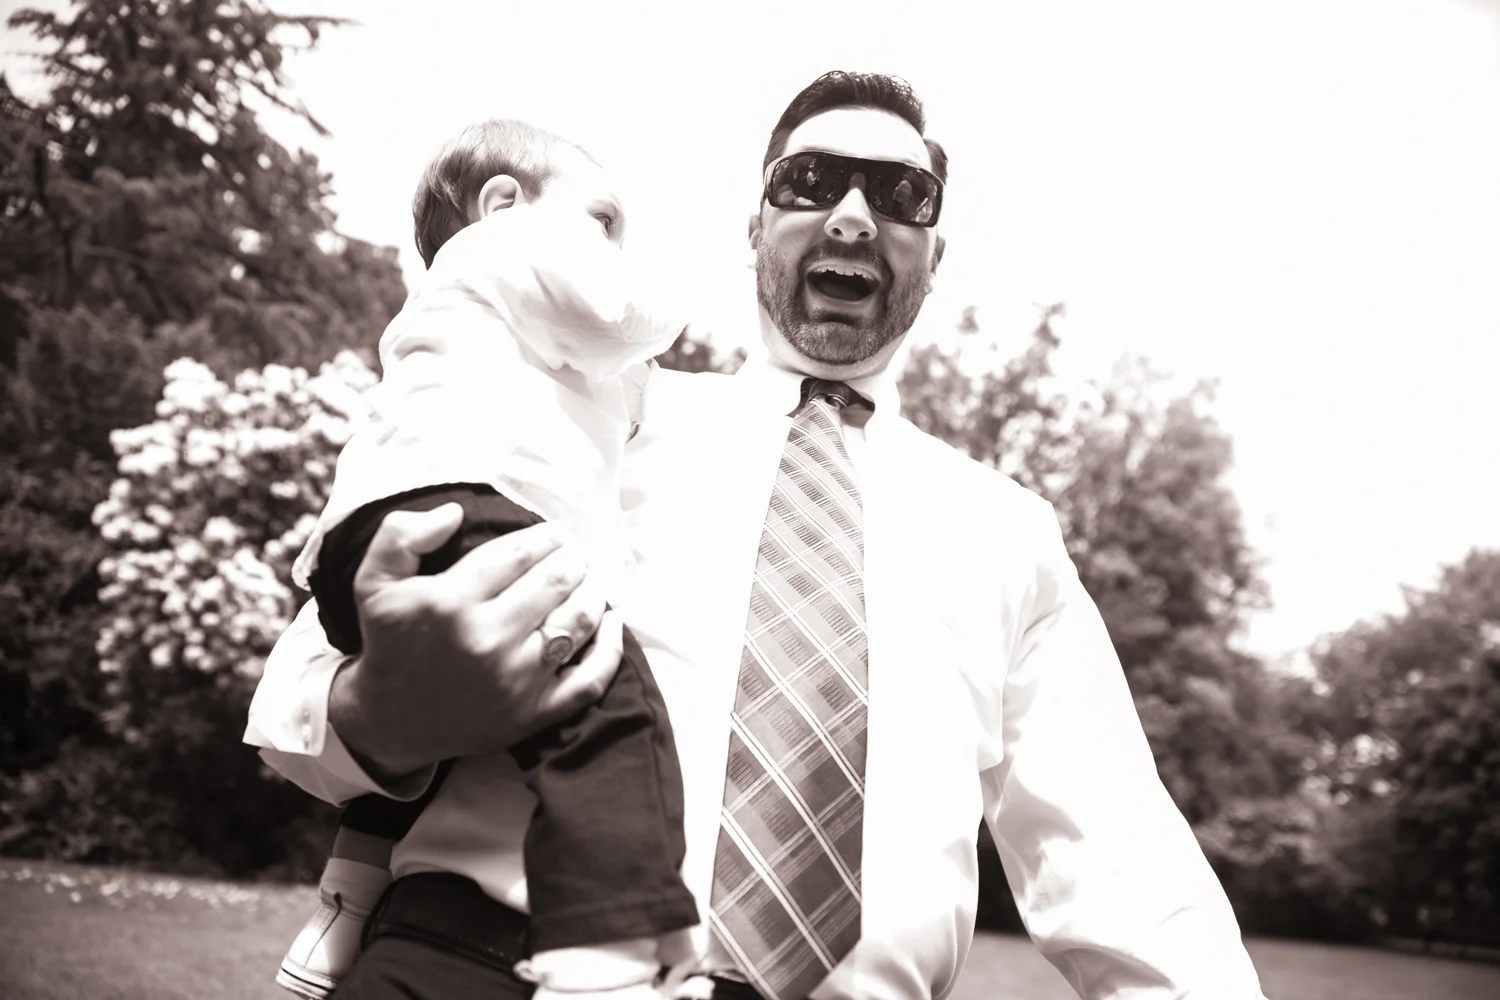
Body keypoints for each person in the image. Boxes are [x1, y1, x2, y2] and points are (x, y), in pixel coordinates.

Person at [247, 70, 1270, 1000]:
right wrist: (380, 709)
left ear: (935, 253)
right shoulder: (597, 406)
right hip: (484, 963)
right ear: (757, 224)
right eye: (812, 181)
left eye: (900, 195)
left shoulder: (1012, 535)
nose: (854, 215)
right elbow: (309, 683)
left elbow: (1123, 866)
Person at [271, 119, 698, 1000]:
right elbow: (613, 313)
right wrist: (672, 306)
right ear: (503, 202)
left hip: (373, 529)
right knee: (607, 700)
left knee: (451, 679)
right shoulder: (509, 246)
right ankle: (606, 949)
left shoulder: (474, 324)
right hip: (461, 501)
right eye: (604, 220)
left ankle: (346, 901)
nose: (613, 244)